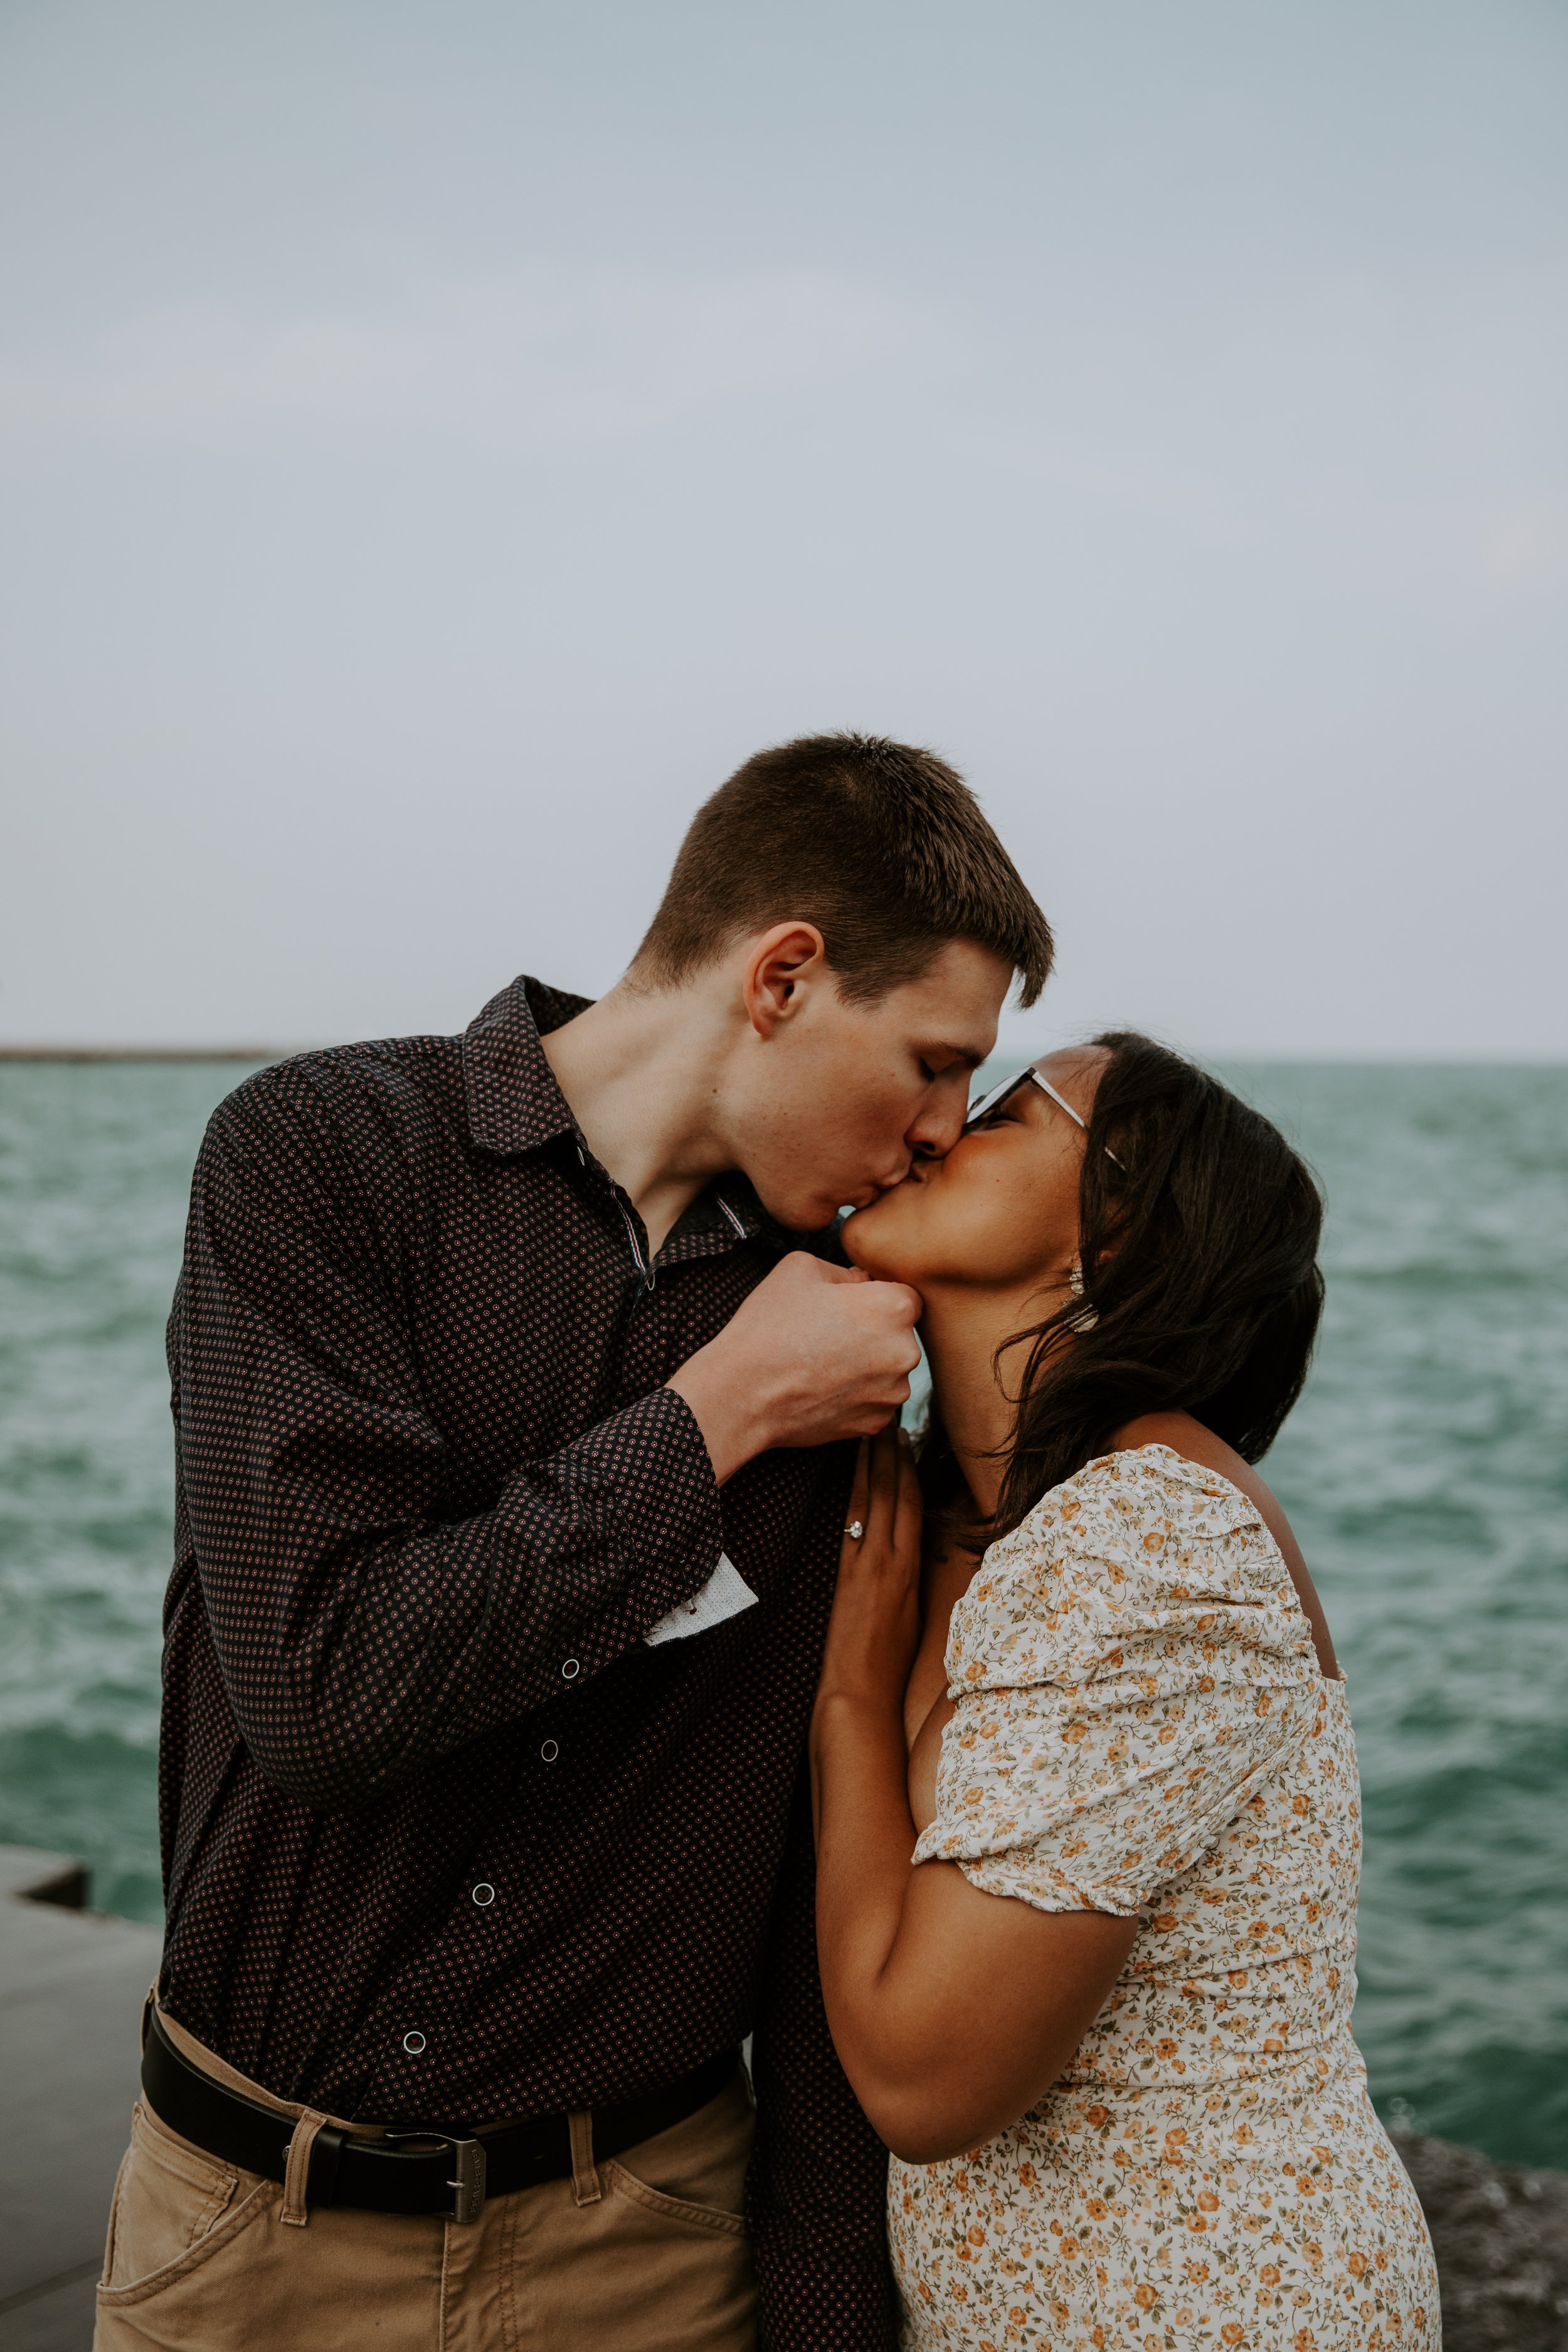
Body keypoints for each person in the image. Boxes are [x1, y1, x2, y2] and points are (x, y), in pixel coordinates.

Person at [93, 734, 1055, 2352]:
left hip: (644, 2263)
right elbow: (325, 1694)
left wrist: (823, 2317)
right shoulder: (319, 1157)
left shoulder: (852, 1327)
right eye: (933, 1060)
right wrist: (715, 1418)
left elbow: (826, 1848)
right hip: (241, 2249)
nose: (948, 1129)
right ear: (783, 978)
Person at [812, 1034, 1441, 2349]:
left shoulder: (1146, 1535)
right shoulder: (960, 1509)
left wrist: (851, 1712)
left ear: (1118, 1232)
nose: (932, 1128)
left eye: (1001, 1111)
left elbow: (920, 2080)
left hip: (1219, 2308)